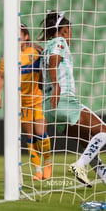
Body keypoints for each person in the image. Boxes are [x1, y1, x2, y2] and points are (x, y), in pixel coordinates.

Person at [39, 11, 106, 187]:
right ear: (65, 30)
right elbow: (54, 61)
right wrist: (57, 86)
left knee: (88, 146)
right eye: (70, 31)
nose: (70, 36)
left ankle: (94, 172)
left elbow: (40, 81)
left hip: (49, 108)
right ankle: (79, 165)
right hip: (63, 100)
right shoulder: (59, 42)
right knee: (103, 132)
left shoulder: (44, 49)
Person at [0, 25, 52, 181]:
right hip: (22, 102)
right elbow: (1, 76)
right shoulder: (8, 56)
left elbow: (50, 65)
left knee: (41, 133)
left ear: (26, 36)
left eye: (18, 34)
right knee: (30, 136)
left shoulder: (37, 52)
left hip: (38, 98)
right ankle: (37, 170)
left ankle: (48, 163)